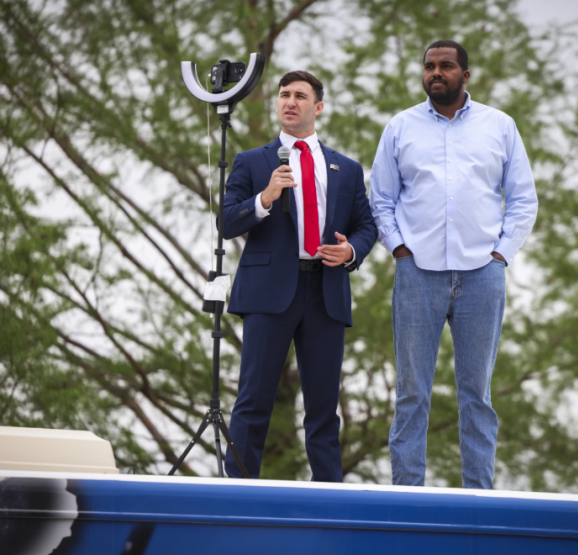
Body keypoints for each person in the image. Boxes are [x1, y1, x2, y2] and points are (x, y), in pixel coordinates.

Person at [369, 40, 538, 489]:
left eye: (446, 66)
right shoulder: (400, 127)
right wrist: (399, 249)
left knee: (476, 395)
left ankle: (479, 499)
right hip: (417, 274)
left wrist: (502, 254)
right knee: (411, 393)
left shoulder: (499, 126)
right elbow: (381, 198)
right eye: (429, 66)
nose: (435, 73)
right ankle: (407, 496)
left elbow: (523, 199)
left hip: (482, 274)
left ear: (466, 74)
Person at [221, 70, 377, 482]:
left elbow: (367, 225)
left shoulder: (346, 167)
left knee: (325, 408)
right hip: (268, 293)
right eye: (284, 94)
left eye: (300, 96)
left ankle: (329, 499)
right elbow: (225, 221)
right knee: (253, 401)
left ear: (318, 107)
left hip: (325, 292)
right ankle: (236, 493)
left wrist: (352, 251)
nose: (290, 102)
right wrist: (264, 198)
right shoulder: (252, 161)